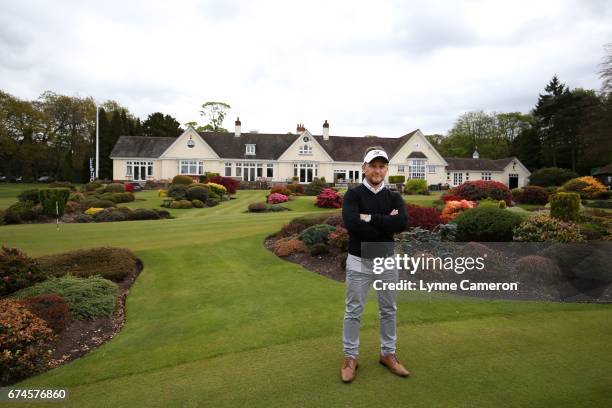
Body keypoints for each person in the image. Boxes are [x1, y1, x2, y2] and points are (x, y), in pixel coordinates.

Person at [340, 146, 411, 383]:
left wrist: (369, 218)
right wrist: (385, 222)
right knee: (353, 311)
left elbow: (401, 222)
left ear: (386, 169)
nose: (378, 171)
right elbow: (352, 224)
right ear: (364, 168)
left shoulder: (394, 196)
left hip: (386, 260)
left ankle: (388, 354)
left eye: (382, 167)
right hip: (359, 260)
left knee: (389, 309)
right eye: (373, 166)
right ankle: (351, 357)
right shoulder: (353, 195)